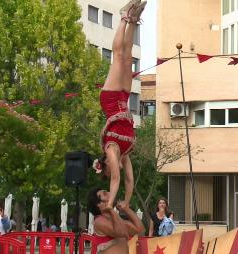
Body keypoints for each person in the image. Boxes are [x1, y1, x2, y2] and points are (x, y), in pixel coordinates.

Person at [93, 0, 147, 210]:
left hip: (111, 99)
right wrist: (125, 202)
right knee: (128, 59)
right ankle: (133, 21)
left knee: (118, 57)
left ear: (104, 166)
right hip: (122, 99)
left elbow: (116, 179)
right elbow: (129, 181)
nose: (112, 171)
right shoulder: (124, 154)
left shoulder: (111, 150)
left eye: (106, 172)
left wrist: (110, 204)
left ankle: (124, 17)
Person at [87, 187, 144, 254]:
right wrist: (111, 210)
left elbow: (140, 230)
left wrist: (126, 209)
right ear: (99, 204)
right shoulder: (99, 221)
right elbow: (121, 233)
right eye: (105, 194)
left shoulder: (116, 220)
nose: (110, 193)